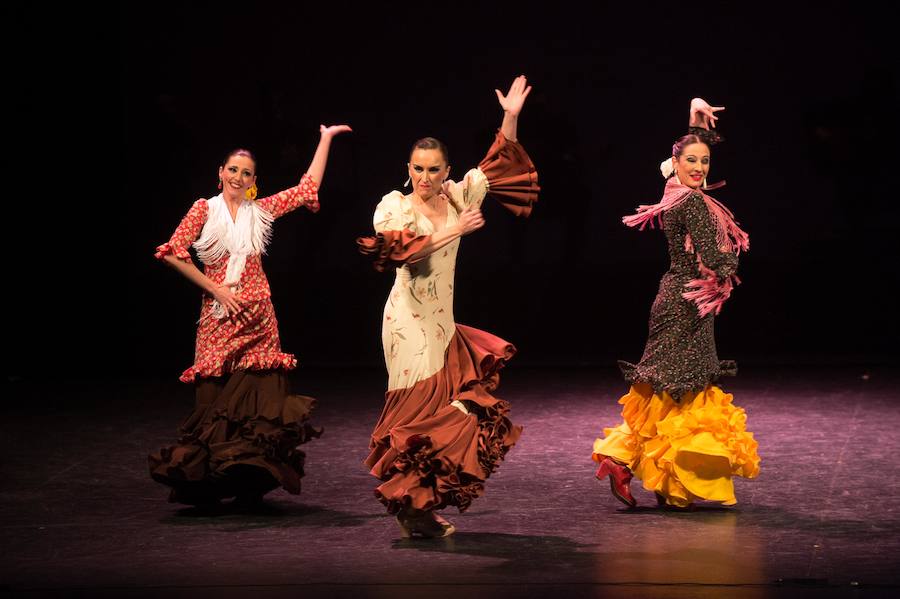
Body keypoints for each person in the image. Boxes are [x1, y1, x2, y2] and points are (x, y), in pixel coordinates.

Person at [357, 76, 540, 537]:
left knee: (455, 413)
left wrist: (511, 116)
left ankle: (417, 504)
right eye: (418, 168)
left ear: (445, 170)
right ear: (408, 168)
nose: (425, 177)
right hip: (405, 323)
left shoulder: (459, 195)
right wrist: (457, 229)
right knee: (418, 413)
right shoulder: (394, 205)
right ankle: (408, 502)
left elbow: (497, 164)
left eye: (434, 170)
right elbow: (404, 252)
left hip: (441, 323)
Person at [149, 124, 351, 508]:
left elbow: (307, 188)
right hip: (219, 320)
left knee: (257, 409)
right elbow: (174, 251)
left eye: (246, 173)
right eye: (232, 170)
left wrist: (324, 139)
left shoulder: (261, 211)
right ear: (220, 173)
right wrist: (216, 289)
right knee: (214, 405)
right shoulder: (203, 209)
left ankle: (248, 483)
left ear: (254, 181)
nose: (238, 177)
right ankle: (207, 484)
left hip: (259, 322)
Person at [592, 98, 759, 509]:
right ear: (677, 163)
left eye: (705, 161)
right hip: (686, 303)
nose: (699, 167)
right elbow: (711, 253)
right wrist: (731, 260)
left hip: (676, 299)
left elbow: (678, 156)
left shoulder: (673, 189)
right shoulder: (692, 202)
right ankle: (633, 464)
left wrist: (694, 121)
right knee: (681, 393)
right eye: (692, 161)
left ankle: (647, 473)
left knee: (669, 393)